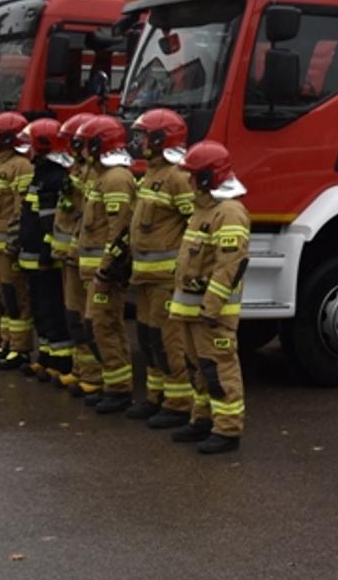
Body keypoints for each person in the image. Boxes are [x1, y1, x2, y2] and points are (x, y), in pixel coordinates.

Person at [167, 141, 249, 454]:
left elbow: (229, 266)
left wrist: (211, 307)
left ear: (206, 177)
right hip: (192, 311)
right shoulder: (204, 209)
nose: (188, 181)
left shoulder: (229, 213)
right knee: (198, 368)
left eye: (193, 175)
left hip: (212, 313)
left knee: (218, 368)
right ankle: (202, 419)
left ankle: (227, 430)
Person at [129, 109, 201, 429]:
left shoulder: (177, 177)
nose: (139, 141)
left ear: (161, 139)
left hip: (165, 278)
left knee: (168, 340)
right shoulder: (151, 173)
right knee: (148, 338)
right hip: (145, 275)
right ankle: (156, 396)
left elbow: (194, 225)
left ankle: (178, 403)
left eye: (144, 136)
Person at [76, 115, 136, 413]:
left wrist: (106, 270)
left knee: (103, 325)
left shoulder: (115, 178)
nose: (82, 149)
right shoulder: (101, 176)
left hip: (105, 273)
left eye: (87, 143)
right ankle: (114, 386)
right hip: (94, 271)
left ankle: (119, 390)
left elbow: (119, 230)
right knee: (99, 326)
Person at [16, 117, 70, 383]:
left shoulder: (54, 177)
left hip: (45, 258)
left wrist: (47, 251)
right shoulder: (40, 174)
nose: (28, 150)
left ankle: (61, 361)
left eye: (31, 145)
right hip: (33, 255)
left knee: (52, 308)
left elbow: (51, 222)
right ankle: (47, 357)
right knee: (39, 309)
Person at [49, 113, 100, 396]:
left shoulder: (98, 175)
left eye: (75, 142)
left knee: (88, 320)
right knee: (74, 315)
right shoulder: (79, 170)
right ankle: (81, 370)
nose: (70, 147)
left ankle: (93, 375)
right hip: (72, 254)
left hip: (87, 257)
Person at [0, 111, 35, 371]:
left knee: (15, 297)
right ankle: (6, 342)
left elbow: (20, 208)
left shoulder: (21, 166)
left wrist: (14, 240)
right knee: (0, 295)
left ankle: (20, 348)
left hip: (6, 245)